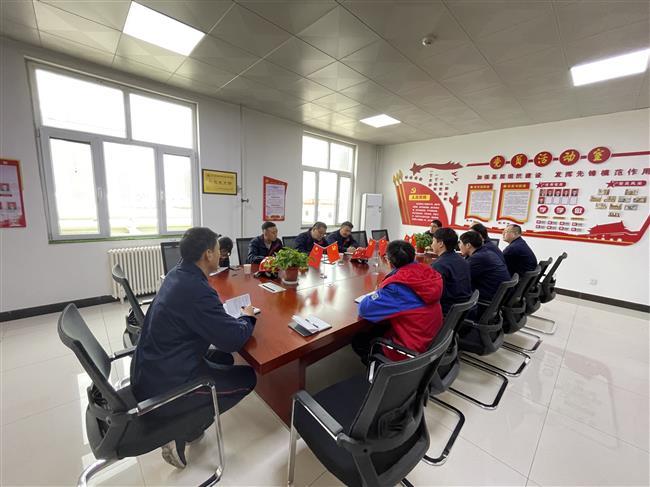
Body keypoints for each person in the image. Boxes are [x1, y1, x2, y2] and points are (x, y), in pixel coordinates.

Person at [131, 227, 257, 469]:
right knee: (247, 376)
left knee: (224, 358)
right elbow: (232, 340)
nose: (221, 253)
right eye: (218, 249)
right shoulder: (195, 290)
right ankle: (177, 429)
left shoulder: (178, 274)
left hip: (151, 366)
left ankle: (187, 423)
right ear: (208, 254)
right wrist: (247, 318)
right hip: (167, 385)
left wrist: (218, 316)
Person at [354, 240, 443, 363]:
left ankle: (381, 371)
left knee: (359, 340)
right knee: (380, 328)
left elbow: (365, 309)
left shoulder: (397, 287)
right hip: (430, 340)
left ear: (389, 261)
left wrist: (379, 292)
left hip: (409, 352)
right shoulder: (429, 274)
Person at [459, 230, 511, 303]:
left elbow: (460, 278)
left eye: (460, 243)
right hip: (499, 295)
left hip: (489, 297)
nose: (459, 246)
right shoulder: (486, 252)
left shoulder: (477, 258)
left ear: (468, 245)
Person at [430, 228, 473, 315]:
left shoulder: (439, 265)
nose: (431, 245)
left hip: (448, 310)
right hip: (463, 309)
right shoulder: (462, 260)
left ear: (441, 244)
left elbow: (433, 295)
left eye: (433, 241)